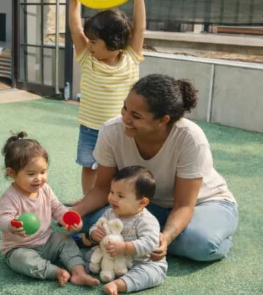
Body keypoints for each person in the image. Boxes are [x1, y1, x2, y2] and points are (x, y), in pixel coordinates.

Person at [74, 74, 237, 262]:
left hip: (202, 203)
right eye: (125, 108)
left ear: (163, 120)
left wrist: (166, 237)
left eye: (136, 116)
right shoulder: (111, 130)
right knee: (88, 223)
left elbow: (184, 205)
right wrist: (76, 212)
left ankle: (216, 232)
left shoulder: (190, 138)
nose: (125, 118)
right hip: (145, 205)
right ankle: (145, 235)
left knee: (201, 243)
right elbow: (102, 188)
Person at [68, 0, 146, 195]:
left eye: (94, 41)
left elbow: (139, 28)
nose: (89, 45)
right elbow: (75, 28)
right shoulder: (87, 58)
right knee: (89, 165)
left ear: (113, 43)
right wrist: (74, 0)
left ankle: (119, 199)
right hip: (91, 128)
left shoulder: (131, 57)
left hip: (123, 128)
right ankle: (89, 199)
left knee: (123, 169)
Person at [0, 132, 99, 287]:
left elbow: (57, 207)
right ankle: (54, 271)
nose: (39, 178)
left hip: (47, 240)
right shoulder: (10, 197)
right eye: (31, 174)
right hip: (20, 248)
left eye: (43, 172)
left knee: (66, 240)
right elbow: (3, 220)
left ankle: (79, 273)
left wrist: (69, 219)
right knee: (21, 260)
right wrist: (12, 224)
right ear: (11, 173)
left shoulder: (44, 189)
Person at [88, 166, 166, 295]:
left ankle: (118, 284)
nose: (112, 198)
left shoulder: (147, 221)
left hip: (141, 262)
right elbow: (97, 226)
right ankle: (80, 271)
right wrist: (94, 234)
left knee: (154, 273)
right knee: (88, 256)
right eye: (111, 192)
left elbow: (150, 243)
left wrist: (125, 247)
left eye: (120, 195)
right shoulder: (110, 213)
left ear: (142, 202)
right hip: (111, 258)